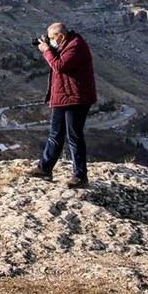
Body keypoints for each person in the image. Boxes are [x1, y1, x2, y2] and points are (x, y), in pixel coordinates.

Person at [26, 22, 97, 188]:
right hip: (63, 96)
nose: (51, 42)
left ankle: (80, 176)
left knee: (74, 136)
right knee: (55, 135)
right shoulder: (66, 43)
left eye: (52, 39)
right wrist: (50, 47)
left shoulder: (76, 46)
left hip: (76, 98)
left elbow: (59, 66)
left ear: (61, 36)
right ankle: (44, 168)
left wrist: (46, 50)